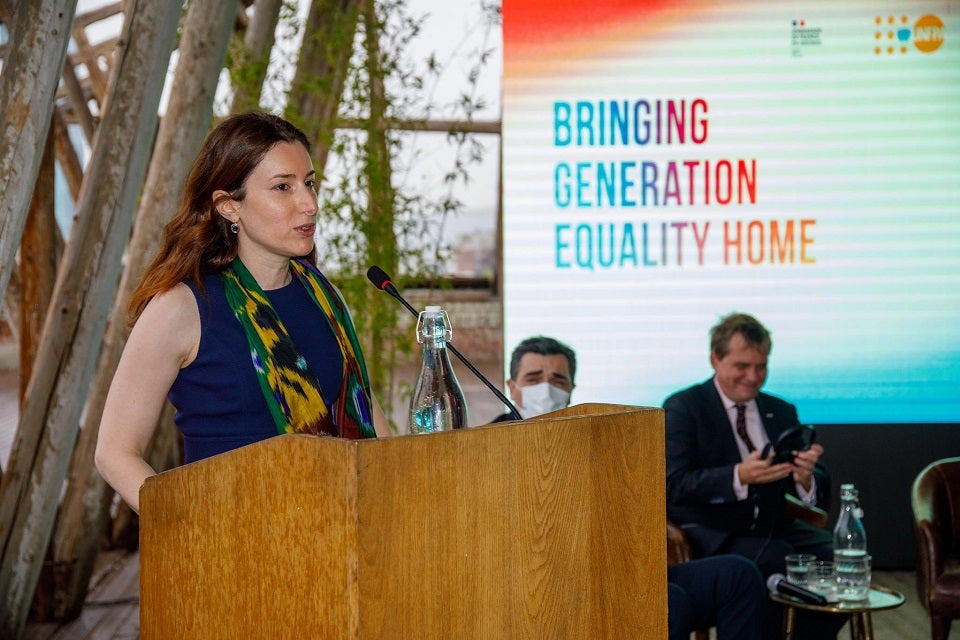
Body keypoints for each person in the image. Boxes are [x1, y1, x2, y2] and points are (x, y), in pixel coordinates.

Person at [95, 111, 390, 514]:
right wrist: (195, 532)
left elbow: (366, 413)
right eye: (282, 187)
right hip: (232, 554)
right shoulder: (181, 308)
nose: (309, 204)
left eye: (309, 184)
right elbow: (115, 452)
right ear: (229, 207)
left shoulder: (325, 295)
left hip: (338, 539)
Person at [495, 335, 766, 640]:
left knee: (737, 575)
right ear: (512, 387)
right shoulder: (486, 446)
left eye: (558, 380)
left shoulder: (597, 438)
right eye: (534, 378)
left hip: (613, 569)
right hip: (540, 584)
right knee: (669, 603)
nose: (547, 389)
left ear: (571, 389)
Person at [664, 312, 840, 639]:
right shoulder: (684, 408)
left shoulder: (781, 410)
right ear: (715, 359)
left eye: (761, 367)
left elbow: (815, 477)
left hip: (773, 525)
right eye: (742, 366)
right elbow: (675, 484)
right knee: (777, 560)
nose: (753, 376)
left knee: (836, 558)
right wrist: (738, 476)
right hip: (711, 531)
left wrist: (805, 477)